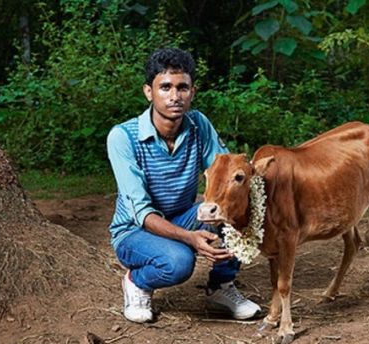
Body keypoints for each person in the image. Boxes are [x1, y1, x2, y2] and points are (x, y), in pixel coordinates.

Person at [106, 48, 261, 323]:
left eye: (182, 87)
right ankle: (137, 282)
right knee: (179, 263)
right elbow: (142, 213)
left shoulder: (198, 124)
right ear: (148, 91)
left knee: (235, 208)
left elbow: (225, 170)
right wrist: (190, 239)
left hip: (183, 216)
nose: (175, 96)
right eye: (165, 87)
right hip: (135, 231)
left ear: (192, 91)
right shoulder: (123, 137)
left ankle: (221, 287)